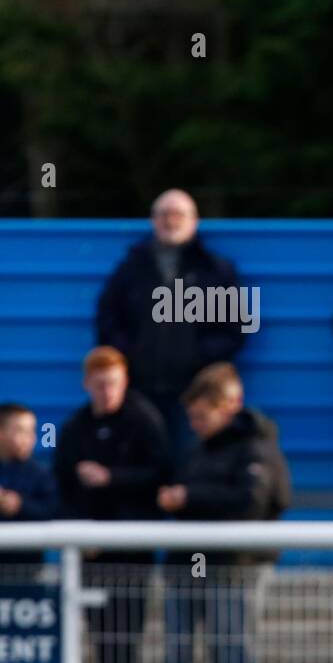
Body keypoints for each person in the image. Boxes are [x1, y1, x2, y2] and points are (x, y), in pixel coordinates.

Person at [157, 364, 291, 663]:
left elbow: (254, 504)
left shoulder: (258, 448)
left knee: (232, 649)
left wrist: (189, 498)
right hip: (186, 564)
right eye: (192, 417)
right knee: (177, 650)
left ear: (228, 406)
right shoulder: (199, 450)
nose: (195, 424)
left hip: (236, 567)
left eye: (202, 416)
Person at [54, 347, 170, 663]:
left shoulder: (144, 421)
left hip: (132, 555)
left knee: (126, 639)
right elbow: (63, 489)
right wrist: (81, 535)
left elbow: (159, 475)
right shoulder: (75, 429)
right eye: (100, 384)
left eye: (114, 383)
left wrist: (111, 478)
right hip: (90, 556)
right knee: (100, 640)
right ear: (87, 384)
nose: (107, 392)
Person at [95, 189, 248, 461]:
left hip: (196, 393)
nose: (171, 221)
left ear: (195, 221)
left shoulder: (215, 270)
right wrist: (131, 356)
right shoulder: (131, 269)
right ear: (153, 221)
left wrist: (198, 358)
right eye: (164, 214)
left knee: (194, 462)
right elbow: (107, 319)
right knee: (142, 461)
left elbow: (238, 327)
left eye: (179, 214)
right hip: (140, 388)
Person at [0, 403, 58, 571]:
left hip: (28, 571)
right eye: (20, 430)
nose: (29, 438)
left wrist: (20, 505)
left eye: (31, 431)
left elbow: (53, 511)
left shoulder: (41, 474)